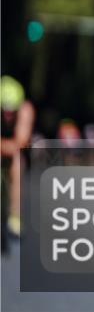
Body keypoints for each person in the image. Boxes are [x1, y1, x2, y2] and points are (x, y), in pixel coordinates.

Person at [1, 75, 36, 253]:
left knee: (17, 162)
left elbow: (19, 143)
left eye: (11, 111)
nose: (7, 115)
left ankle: (14, 216)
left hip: (15, 154)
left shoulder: (26, 109)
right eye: (3, 110)